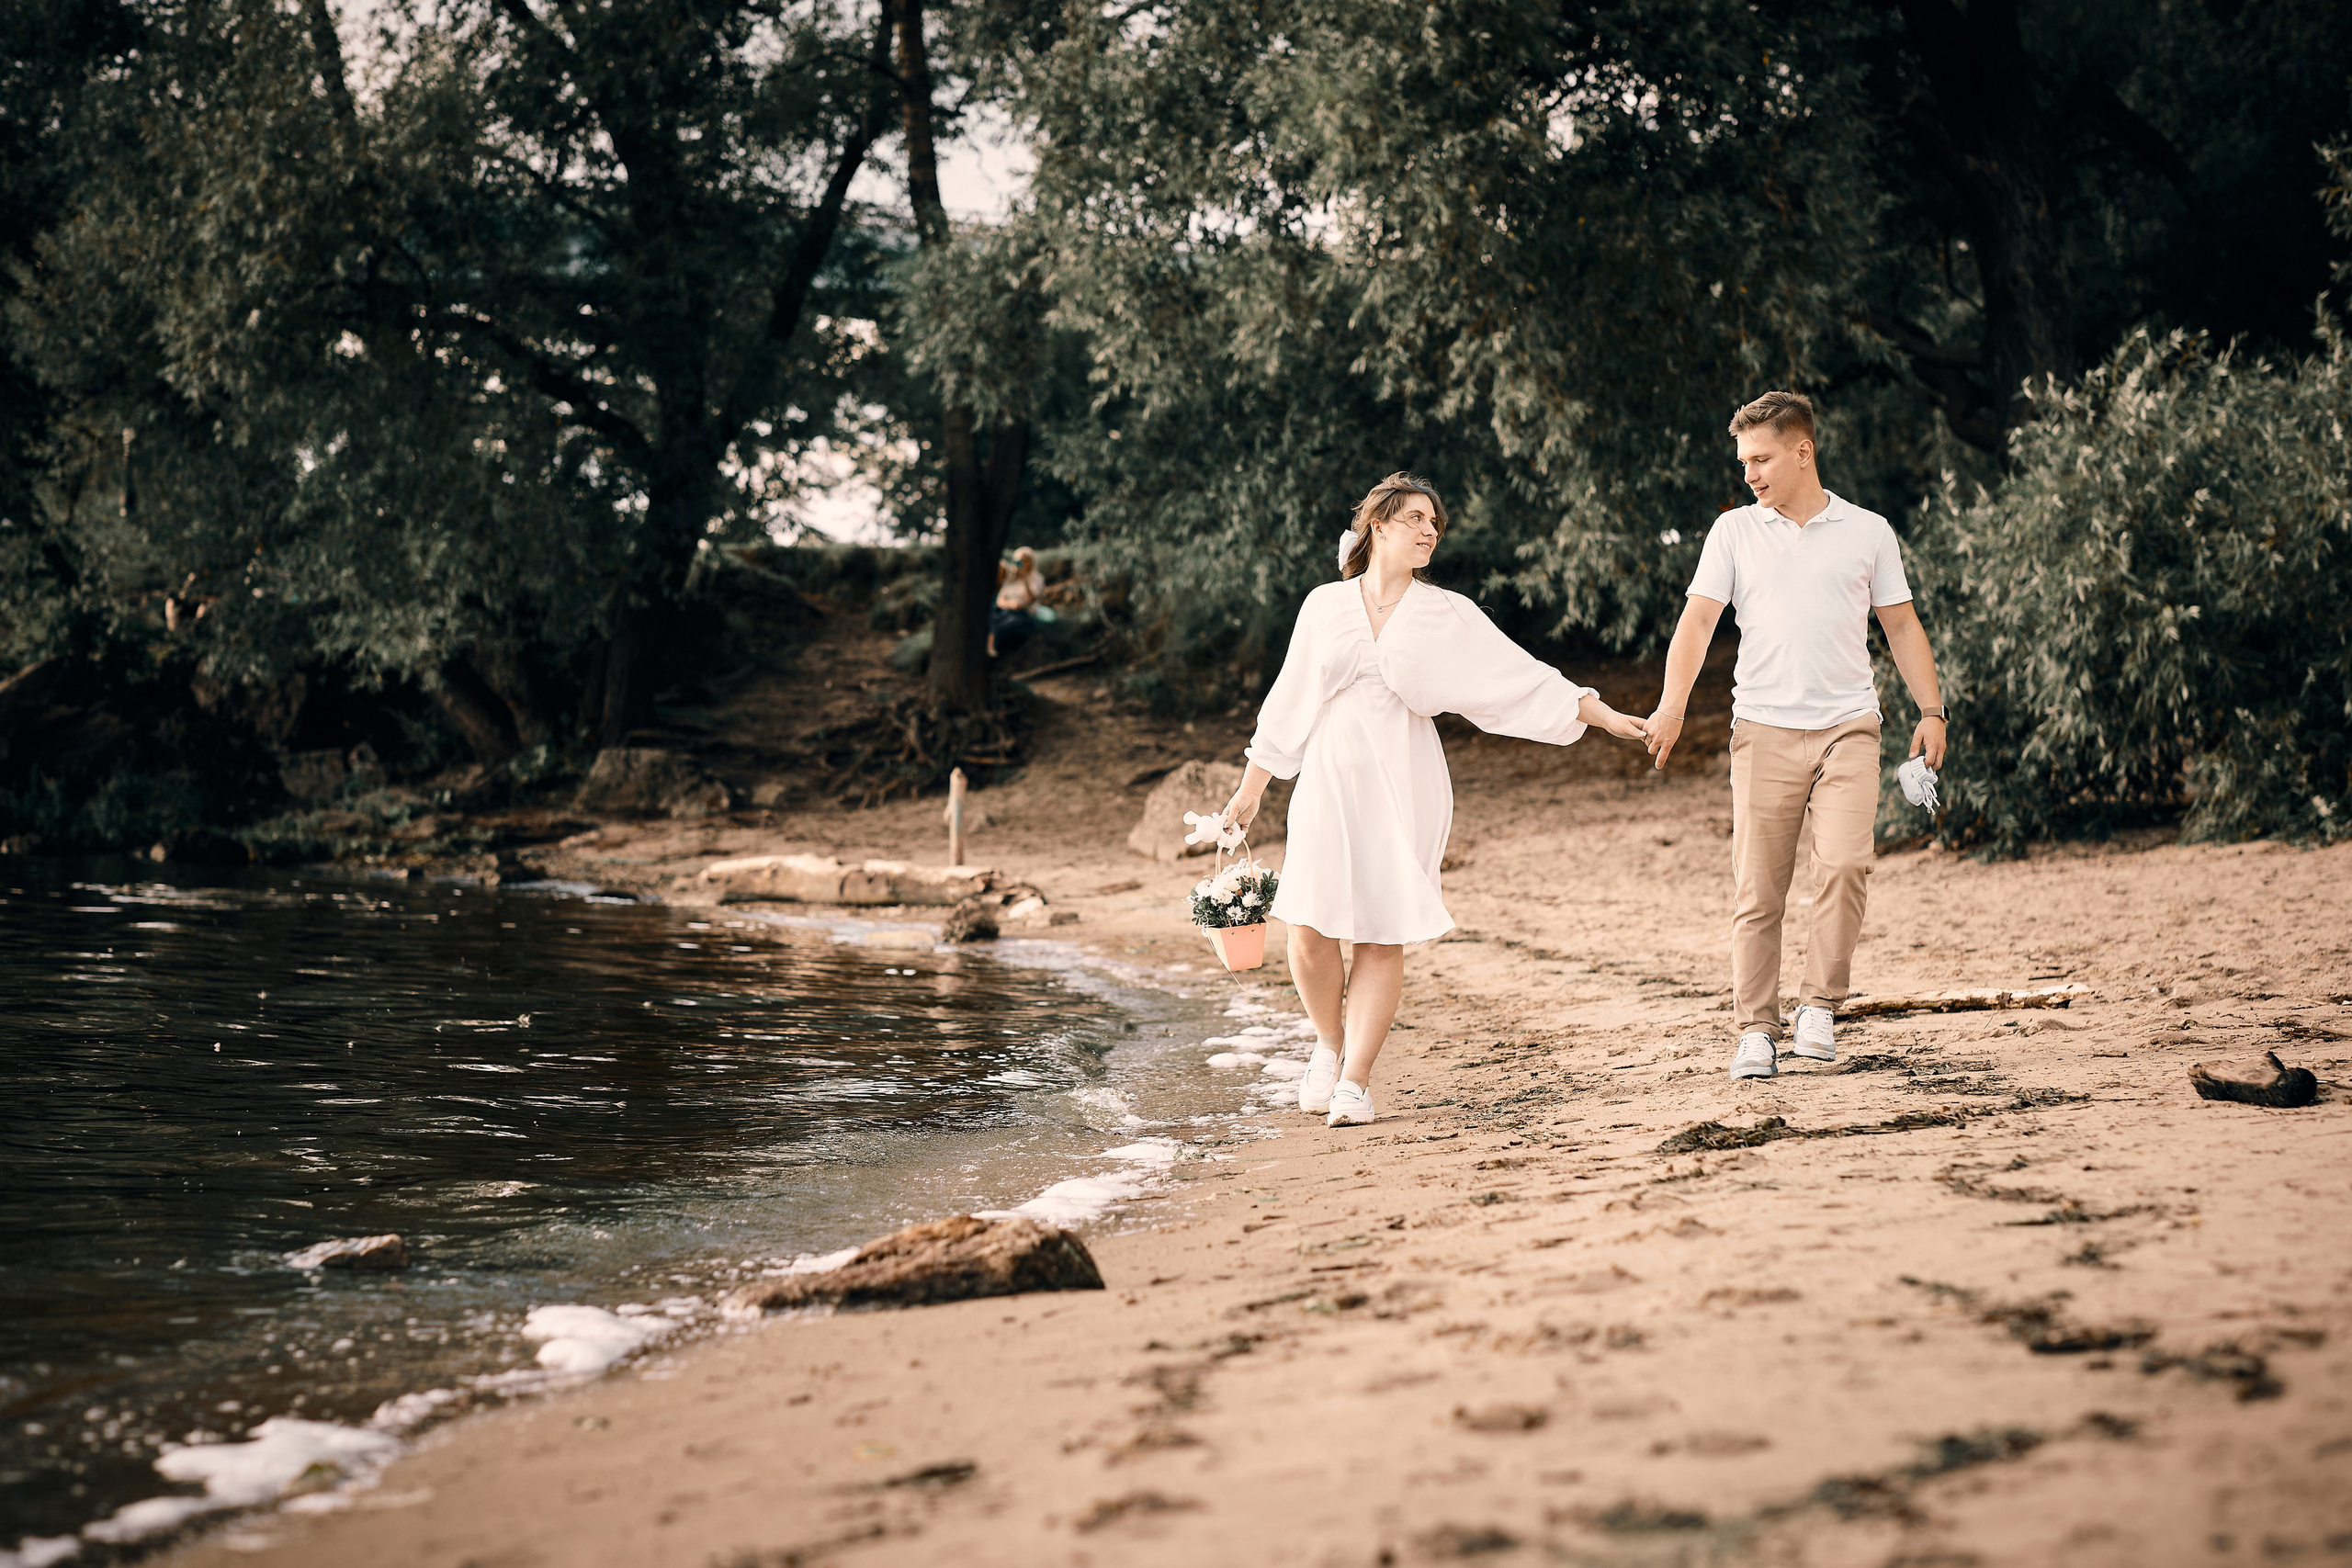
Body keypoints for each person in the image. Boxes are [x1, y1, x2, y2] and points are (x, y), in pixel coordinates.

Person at [1219, 472, 1652, 1127]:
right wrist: (1252, 790)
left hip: (1404, 778)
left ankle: (1356, 1081)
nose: (1430, 531)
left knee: (1381, 930)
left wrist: (1605, 715)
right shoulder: (1324, 606)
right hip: (1329, 779)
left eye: (1435, 523)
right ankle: (1327, 1045)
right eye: (1417, 518)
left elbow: (1519, 677)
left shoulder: (1447, 613)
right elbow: (1288, 701)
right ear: (1380, 525)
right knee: (1307, 928)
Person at [1643, 390, 1949, 1082]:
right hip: (1763, 730)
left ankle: (1819, 1007)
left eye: (1761, 458)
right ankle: (1755, 1028)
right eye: (1743, 460)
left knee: (1845, 864)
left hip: (1850, 727)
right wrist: (1671, 705)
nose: (1749, 473)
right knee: (1760, 890)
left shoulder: (1868, 530)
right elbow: (1696, 625)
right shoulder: (1734, 534)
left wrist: (1932, 710)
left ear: (1802, 450)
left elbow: (1900, 625)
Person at [988, 547, 1046, 660]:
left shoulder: (1036, 578)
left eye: (1026, 560)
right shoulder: (1011, 579)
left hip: (1024, 614)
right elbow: (1000, 600)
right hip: (1007, 610)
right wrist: (1011, 605)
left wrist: (1024, 579)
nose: (1023, 563)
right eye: (1020, 560)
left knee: (1004, 625)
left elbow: (1031, 598)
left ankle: (992, 649)